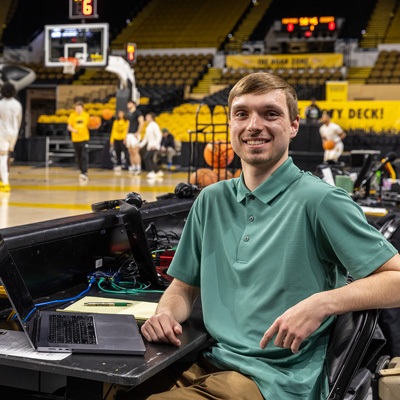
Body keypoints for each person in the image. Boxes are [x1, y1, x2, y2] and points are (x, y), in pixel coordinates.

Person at [119, 72, 400, 400]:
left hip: (277, 380)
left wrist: (323, 303)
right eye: (242, 114)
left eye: (270, 113)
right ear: (230, 124)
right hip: (210, 360)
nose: (254, 125)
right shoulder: (211, 200)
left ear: (294, 126)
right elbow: (183, 288)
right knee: (114, 388)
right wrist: (165, 314)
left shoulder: (320, 200)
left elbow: (395, 278)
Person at [0, 82, 22, 192]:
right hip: (14, 133)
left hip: (3, 133)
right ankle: (4, 179)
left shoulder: (1, 104)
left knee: (2, 158)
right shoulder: (17, 104)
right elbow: (19, 120)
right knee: (8, 156)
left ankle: (5, 182)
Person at [67, 101, 90, 182]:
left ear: (82, 108)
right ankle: (81, 171)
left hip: (84, 139)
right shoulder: (72, 115)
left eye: (79, 108)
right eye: (77, 108)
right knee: (78, 156)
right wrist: (73, 129)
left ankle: (85, 171)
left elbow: (90, 125)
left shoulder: (86, 115)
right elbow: (69, 126)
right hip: (75, 139)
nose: (78, 110)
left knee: (84, 155)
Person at [139, 113, 163, 179]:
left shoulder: (154, 125)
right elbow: (146, 138)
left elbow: (159, 135)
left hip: (154, 146)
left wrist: (155, 145)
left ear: (152, 118)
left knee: (146, 157)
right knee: (150, 159)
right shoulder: (148, 126)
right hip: (150, 146)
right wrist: (140, 145)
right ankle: (158, 171)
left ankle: (151, 172)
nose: (146, 118)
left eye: (148, 117)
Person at [126, 100, 144, 174]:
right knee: (130, 152)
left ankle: (138, 168)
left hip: (134, 134)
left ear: (133, 104)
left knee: (135, 151)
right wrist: (125, 136)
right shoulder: (129, 113)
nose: (128, 105)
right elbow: (128, 125)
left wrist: (138, 132)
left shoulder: (137, 112)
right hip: (129, 134)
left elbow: (142, 123)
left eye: (129, 103)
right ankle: (133, 167)